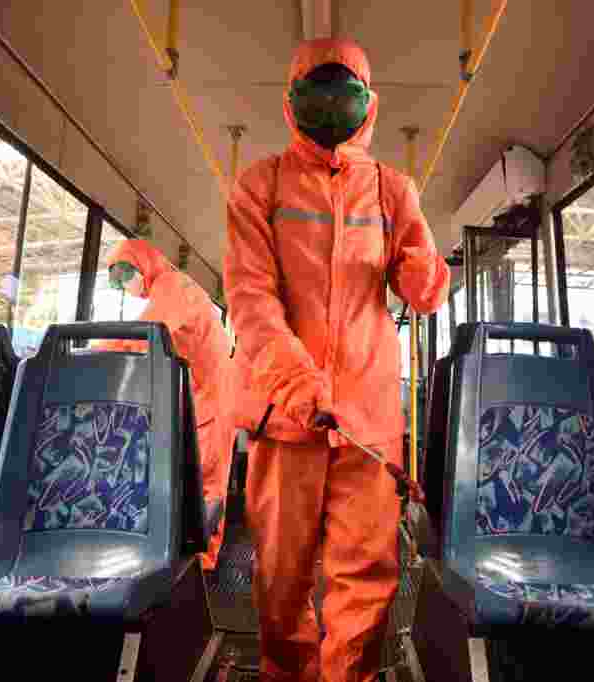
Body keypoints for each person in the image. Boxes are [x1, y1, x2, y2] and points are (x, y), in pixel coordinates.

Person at [224, 38, 450, 682]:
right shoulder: (259, 186)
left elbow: (426, 291)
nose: (330, 103)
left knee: (366, 576)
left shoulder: (391, 189)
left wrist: (421, 272)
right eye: (316, 89)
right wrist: (300, 384)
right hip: (284, 413)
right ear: (292, 104)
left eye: (344, 88)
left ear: (368, 103)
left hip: (367, 421)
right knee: (281, 574)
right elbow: (250, 299)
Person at [97, 240, 234, 572]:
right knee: (198, 473)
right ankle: (195, 554)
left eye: (126, 275)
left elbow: (147, 332)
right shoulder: (166, 290)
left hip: (214, 394)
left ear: (145, 265)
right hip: (203, 392)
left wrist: (95, 352)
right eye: (116, 280)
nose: (123, 285)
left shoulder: (173, 286)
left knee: (208, 477)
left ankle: (204, 563)